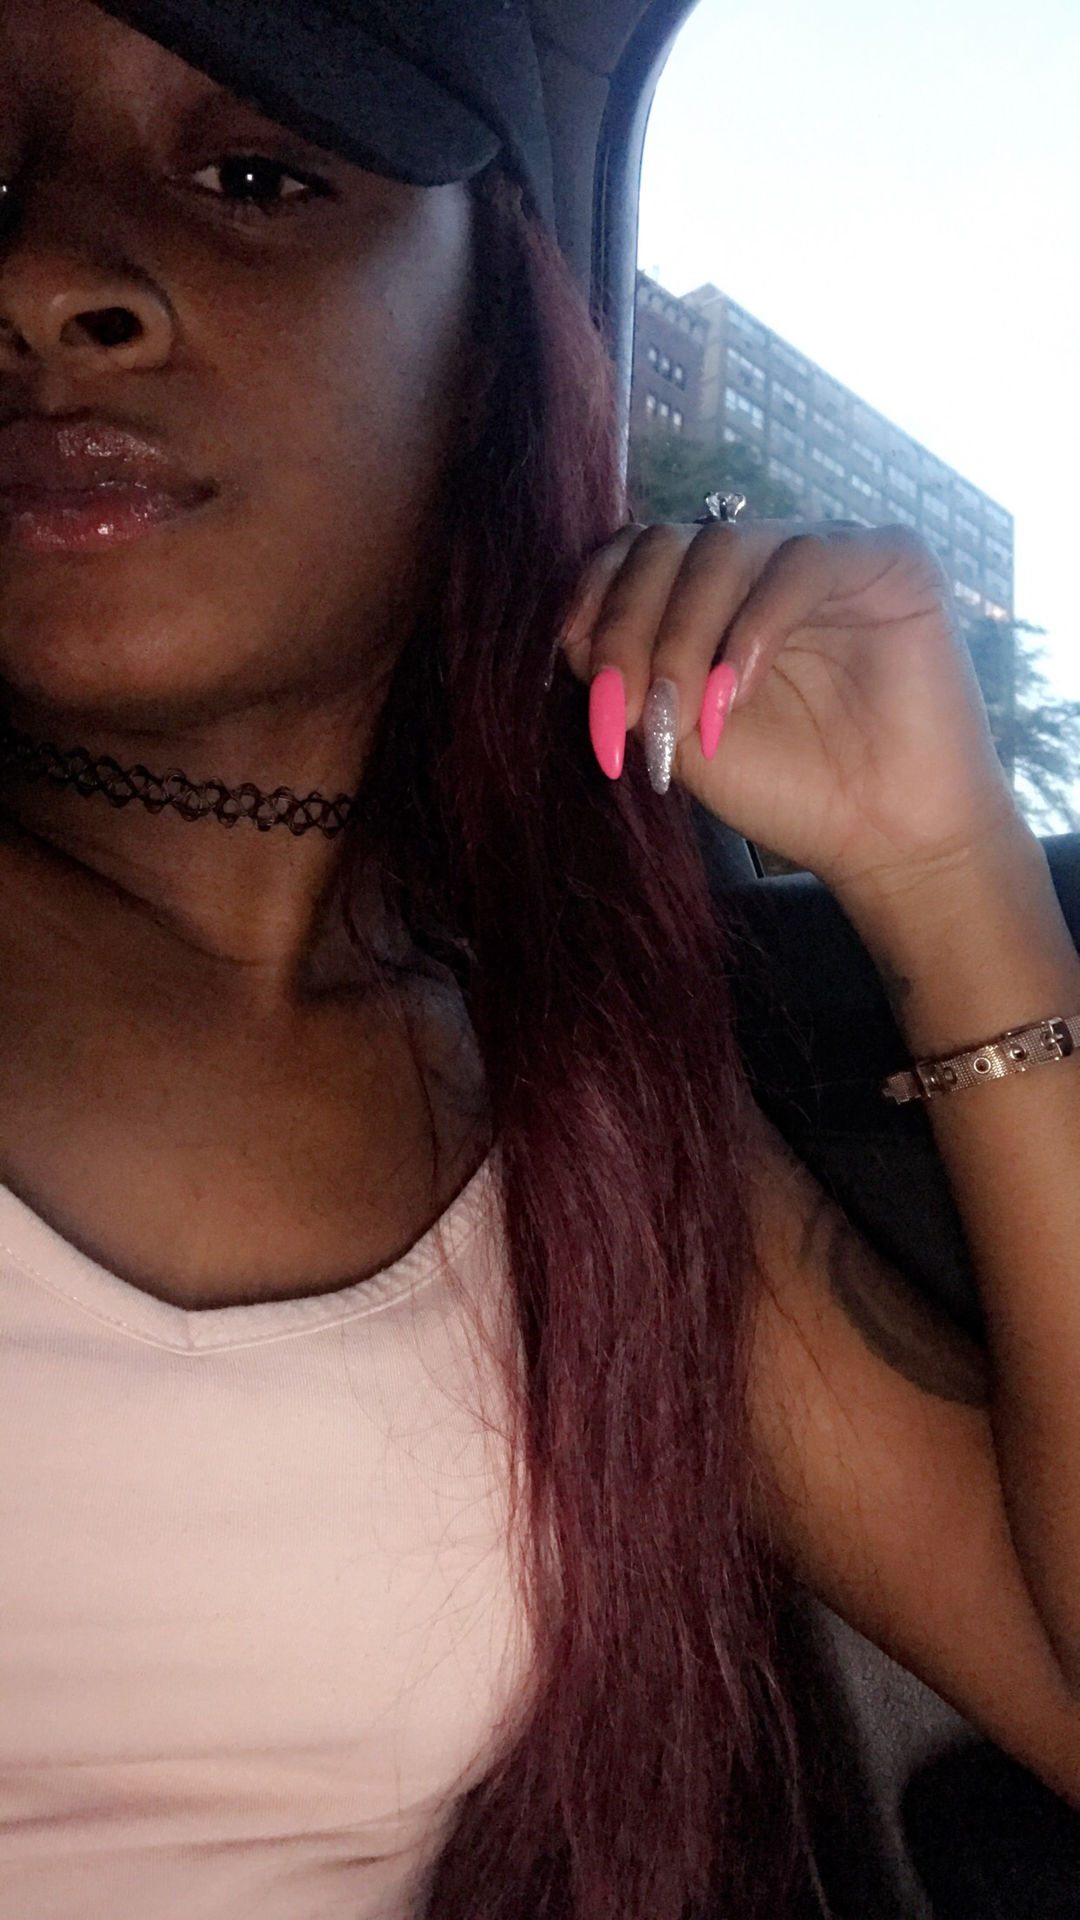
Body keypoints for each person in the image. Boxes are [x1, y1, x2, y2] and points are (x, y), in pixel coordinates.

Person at [1, 4, 1079, 1918]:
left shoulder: (578, 1115)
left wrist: (948, 872)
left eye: (254, 177)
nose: (41, 281)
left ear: (492, 337)